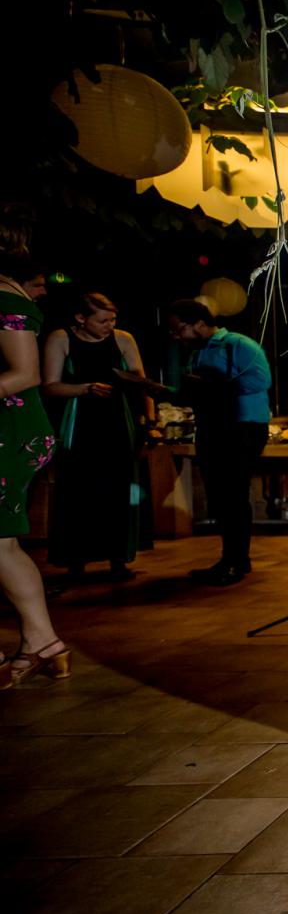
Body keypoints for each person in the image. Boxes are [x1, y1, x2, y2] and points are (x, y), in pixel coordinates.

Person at [42, 292, 159, 580]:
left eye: (113, 319)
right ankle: (76, 561)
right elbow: (50, 385)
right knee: (77, 489)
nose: (109, 325)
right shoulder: (61, 338)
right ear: (81, 319)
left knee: (119, 488)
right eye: (103, 320)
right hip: (81, 419)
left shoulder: (123, 339)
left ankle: (118, 560)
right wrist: (85, 388)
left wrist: (151, 419)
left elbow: (141, 381)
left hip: (119, 419)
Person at [166, 299, 271, 586]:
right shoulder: (198, 352)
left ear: (199, 323)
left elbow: (261, 381)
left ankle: (237, 562)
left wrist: (212, 384)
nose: (177, 336)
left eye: (179, 330)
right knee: (221, 494)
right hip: (213, 427)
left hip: (243, 425)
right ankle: (231, 558)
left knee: (234, 493)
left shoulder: (238, 344)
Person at [0, 254, 67, 688]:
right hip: (11, 429)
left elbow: (26, 374)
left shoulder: (6, 299)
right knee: (3, 546)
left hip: (10, 431)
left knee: (1, 546)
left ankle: (42, 641)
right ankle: (43, 642)